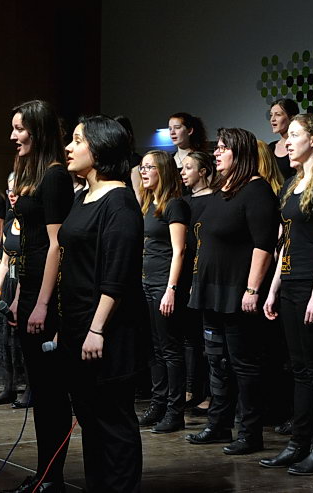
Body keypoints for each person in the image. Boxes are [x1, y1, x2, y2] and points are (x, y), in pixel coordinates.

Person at [58, 115, 147, 493]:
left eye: (78, 140)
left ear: (101, 147)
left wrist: (96, 329)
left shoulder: (120, 202)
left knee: (113, 420)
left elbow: (117, 274)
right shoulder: (82, 196)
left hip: (108, 329)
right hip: (77, 323)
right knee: (90, 419)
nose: (69, 147)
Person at [186, 127, 279, 456]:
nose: (216, 152)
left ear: (239, 152)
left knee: (243, 364)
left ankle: (250, 432)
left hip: (236, 291)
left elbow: (264, 245)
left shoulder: (256, 190)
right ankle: (218, 424)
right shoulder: (222, 189)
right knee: (216, 361)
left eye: (223, 148)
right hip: (211, 290)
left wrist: (252, 289)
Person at [260, 114, 313, 475]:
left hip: (312, 283)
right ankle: (298, 443)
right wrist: (273, 288)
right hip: (290, 282)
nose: (288, 142)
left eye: (295, 135)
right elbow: (285, 243)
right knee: (299, 368)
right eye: (288, 136)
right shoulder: (292, 184)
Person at [5, 100, 73, 493]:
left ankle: (52, 477)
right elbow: (27, 245)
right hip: (29, 290)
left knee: (50, 392)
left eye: (20, 128)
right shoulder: (32, 174)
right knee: (39, 392)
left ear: (39, 129)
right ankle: (45, 473)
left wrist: (43, 304)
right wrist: (19, 296)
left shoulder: (55, 177)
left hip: (48, 297)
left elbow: (55, 246)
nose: (13, 136)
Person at [136, 150, 191, 433]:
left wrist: (171, 289)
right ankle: (158, 404)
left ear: (163, 171)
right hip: (147, 283)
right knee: (154, 349)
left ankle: (174, 410)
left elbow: (179, 251)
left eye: (149, 167)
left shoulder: (175, 205)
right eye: (142, 167)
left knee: (170, 349)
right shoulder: (149, 204)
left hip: (164, 285)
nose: (143, 172)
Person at [179, 151, 217, 415]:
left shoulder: (215, 199)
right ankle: (192, 389)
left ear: (203, 171)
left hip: (204, 274)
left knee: (209, 338)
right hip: (184, 273)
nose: (183, 172)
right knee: (189, 336)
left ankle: (212, 393)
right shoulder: (182, 202)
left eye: (188, 168)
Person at [0, 172, 27, 406]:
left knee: (23, 340)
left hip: (26, 283)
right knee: (5, 338)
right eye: (9, 190)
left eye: (17, 190)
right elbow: (4, 261)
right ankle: (9, 387)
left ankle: (31, 388)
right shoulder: (10, 220)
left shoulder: (32, 222)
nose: (12, 195)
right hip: (9, 285)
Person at [268, 98, 299, 179]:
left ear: (292, 118)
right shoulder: (270, 148)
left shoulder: (301, 147)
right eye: (271, 115)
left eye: (278, 115)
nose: (272, 119)